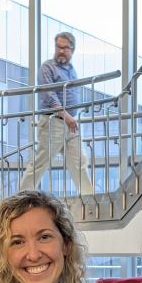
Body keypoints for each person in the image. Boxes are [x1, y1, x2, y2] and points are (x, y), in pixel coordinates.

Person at [20, 31, 95, 195]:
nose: (61, 51)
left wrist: (70, 117)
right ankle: (20, 198)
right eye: (58, 47)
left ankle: (89, 199)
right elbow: (49, 94)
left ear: (72, 50)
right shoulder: (47, 67)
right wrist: (66, 115)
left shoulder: (71, 70)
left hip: (70, 123)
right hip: (54, 121)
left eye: (65, 48)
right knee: (41, 162)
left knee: (80, 162)